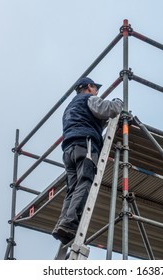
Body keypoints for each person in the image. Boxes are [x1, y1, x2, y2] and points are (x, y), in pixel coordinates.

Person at [52, 77, 123, 244]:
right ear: (89, 87)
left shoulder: (70, 107)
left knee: (72, 188)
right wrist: (118, 102)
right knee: (85, 182)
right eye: (95, 88)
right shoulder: (89, 99)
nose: (97, 91)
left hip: (69, 149)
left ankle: (63, 223)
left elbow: (91, 119)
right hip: (85, 144)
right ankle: (70, 223)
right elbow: (110, 109)